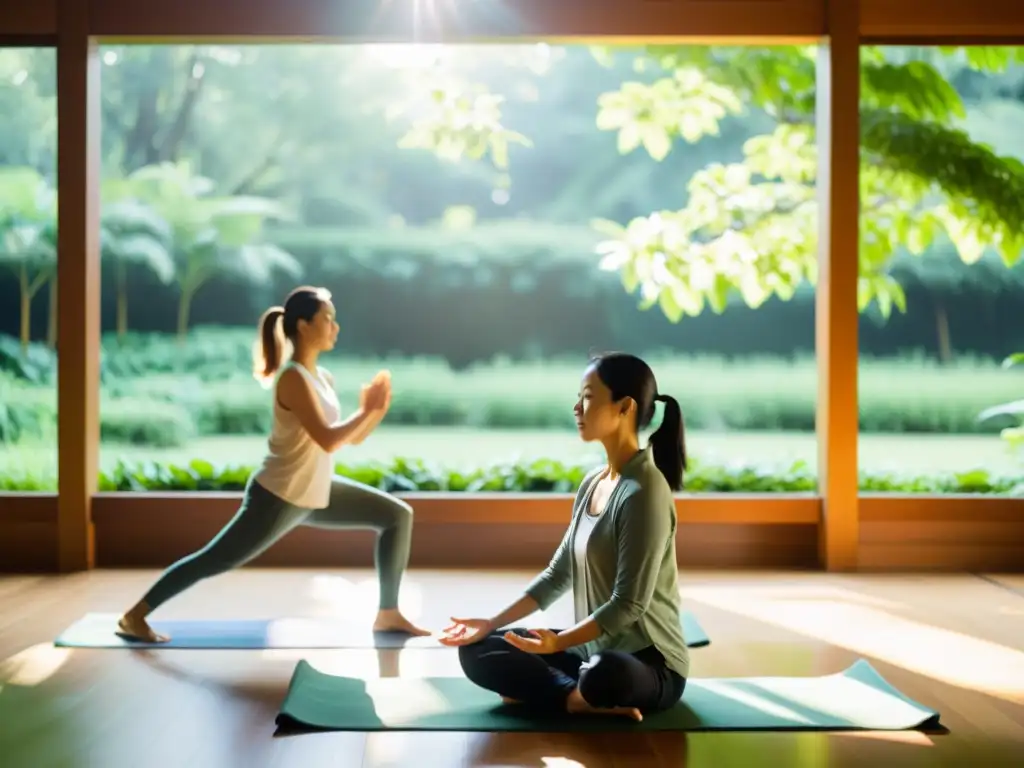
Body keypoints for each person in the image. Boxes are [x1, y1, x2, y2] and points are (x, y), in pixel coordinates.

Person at [116, 286, 430, 643]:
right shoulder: (292, 377)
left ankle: (388, 613)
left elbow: (348, 438)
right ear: (304, 325)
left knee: (395, 516)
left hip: (312, 489)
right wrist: (364, 411)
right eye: (328, 319)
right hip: (279, 495)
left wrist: (374, 411)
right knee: (215, 559)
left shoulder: (322, 377)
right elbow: (328, 438)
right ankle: (134, 616)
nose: (335, 327)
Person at [440, 352, 689, 722]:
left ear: (625, 407)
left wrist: (559, 642)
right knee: (481, 648)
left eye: (588, 396)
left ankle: (556, 691)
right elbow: (558, 573)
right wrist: (490, 623)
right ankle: (572, 696)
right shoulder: (593, 483)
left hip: (649, 663)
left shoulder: (645, 492)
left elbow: (628, 604)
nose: (577, 407)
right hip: (587, 650)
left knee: (606, 673)